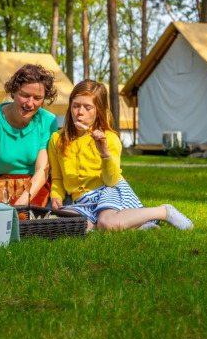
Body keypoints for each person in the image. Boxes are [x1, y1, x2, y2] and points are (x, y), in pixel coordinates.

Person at [48, 79, 193, 231]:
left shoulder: (109, 138)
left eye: (88, 107)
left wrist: (104, 153)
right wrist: (56, 195)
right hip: (82, 200)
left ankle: (162, 211)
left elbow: (111, 180)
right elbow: (57, 177)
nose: (80, 112)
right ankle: (135, 225)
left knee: (107, 223)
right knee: (71, 226)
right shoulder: (57, 139)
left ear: (99, 111)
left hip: (109, 190)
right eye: (76, 105)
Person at [0, 64, 58, 206]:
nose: (30, 103)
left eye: (37, 98)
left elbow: (42, 170)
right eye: (25, 95)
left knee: (24, 221)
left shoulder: (48, 121)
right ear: (14, 91)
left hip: (33, 186)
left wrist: (22, 203)